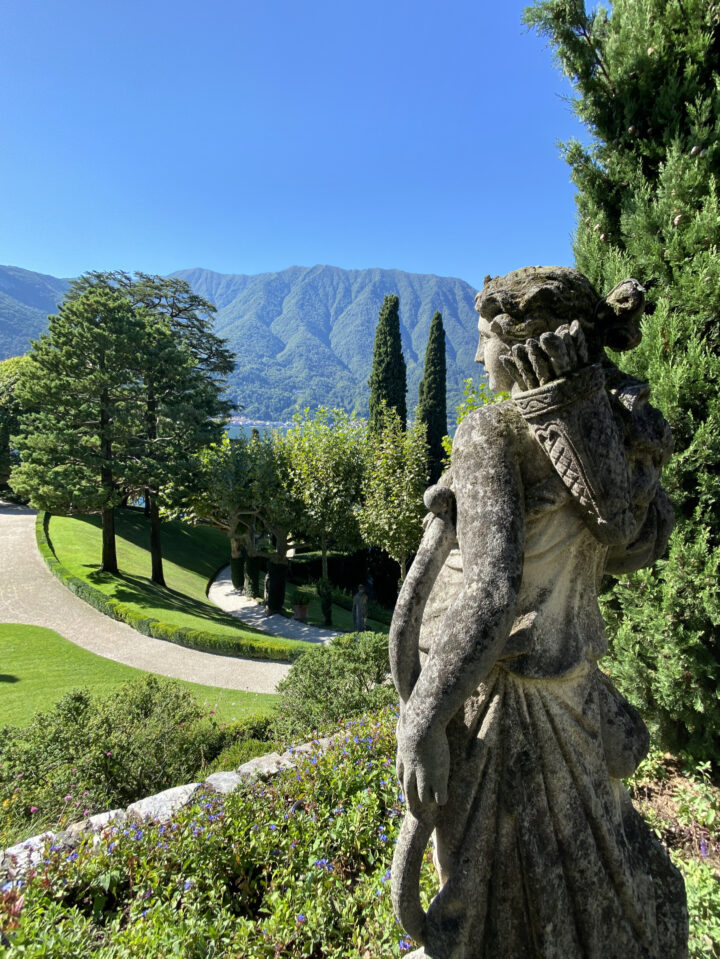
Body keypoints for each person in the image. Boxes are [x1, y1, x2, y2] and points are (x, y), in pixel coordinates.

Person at [390, 267, 687, 959]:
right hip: (573, 693)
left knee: (490, 895)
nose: (474, 354)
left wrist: (423, 718)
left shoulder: (491, 432)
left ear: (527, 343)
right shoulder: (601, 439)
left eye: (487, 336)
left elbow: (489, 596)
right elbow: (628, 543)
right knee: (587, 865)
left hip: (497, 705)